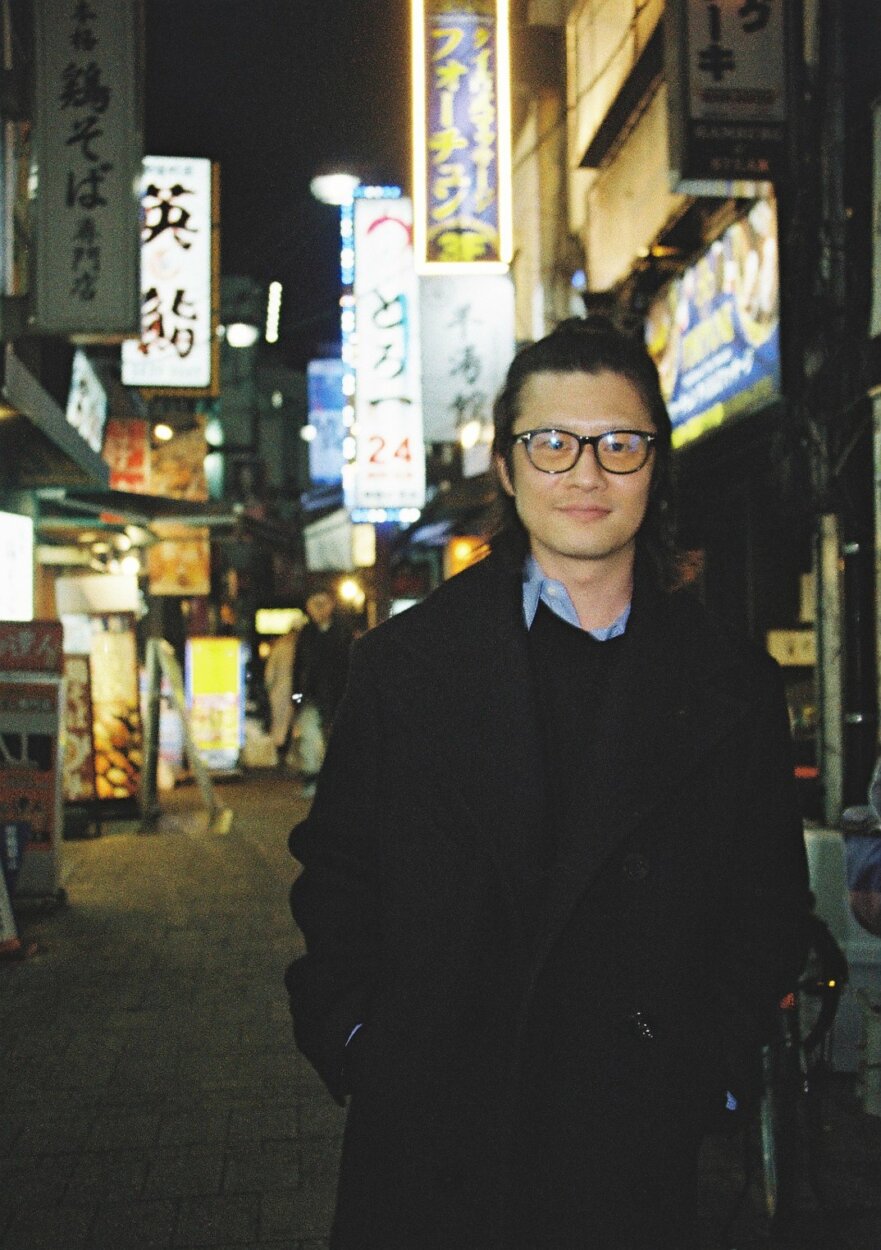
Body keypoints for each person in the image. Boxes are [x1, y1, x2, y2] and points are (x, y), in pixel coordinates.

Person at [284, 317, 812, 1250]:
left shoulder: (730, 684)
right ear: (505, 465)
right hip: (432, 1131)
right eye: (551, 443)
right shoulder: (404, 666)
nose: (585, 474)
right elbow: (337, 875)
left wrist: (709, 1066)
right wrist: (359, 1039)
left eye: (619, 445)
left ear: (655, 464)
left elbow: (767, 901)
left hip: (631, 1132)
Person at [291, 592, 352, 792]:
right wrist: (296, 697)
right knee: (310, 737)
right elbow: (297, 668)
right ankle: (312, 777)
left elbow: (349, 666)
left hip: (338, 695)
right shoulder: (306, 634)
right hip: (311, 695)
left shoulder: (343, 633)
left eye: (322, 604)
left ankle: (337, 782)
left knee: (336, 739)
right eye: (314, 605)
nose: (318, 610)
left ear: (331, 606)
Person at [263, 622, 301, 770]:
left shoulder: (279, 647)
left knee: (279, 724)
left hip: (280, 691)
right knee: (293, 721)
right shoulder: (299, 647)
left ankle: (280, 756)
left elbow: (269, 674)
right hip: (296, 693)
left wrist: (269, 690)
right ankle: (290, 756)